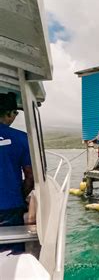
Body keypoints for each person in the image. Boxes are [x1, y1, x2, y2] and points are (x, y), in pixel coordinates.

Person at [0, 92, 34, 254]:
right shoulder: (21, 138)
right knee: (10, 255)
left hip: (10, 205)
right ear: (8, 113)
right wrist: (20, 196)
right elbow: (30, 177)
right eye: (15, 113)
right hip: (10, 207)